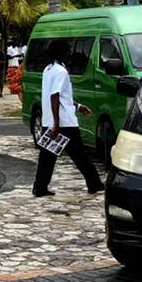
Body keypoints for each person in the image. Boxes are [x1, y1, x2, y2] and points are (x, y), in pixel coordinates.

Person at [33, 39, 104, 198]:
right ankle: (94, 184)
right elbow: (55, 96)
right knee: (80, 155)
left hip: (49, 121)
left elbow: (63, 97)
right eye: (67, 50)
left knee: (47, 157)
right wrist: (57, 123)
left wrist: (78, 106)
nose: (70, 53)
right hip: (64, 122)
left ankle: (40, 187)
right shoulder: (61, 72)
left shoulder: (49, 69)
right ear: (60, 53)